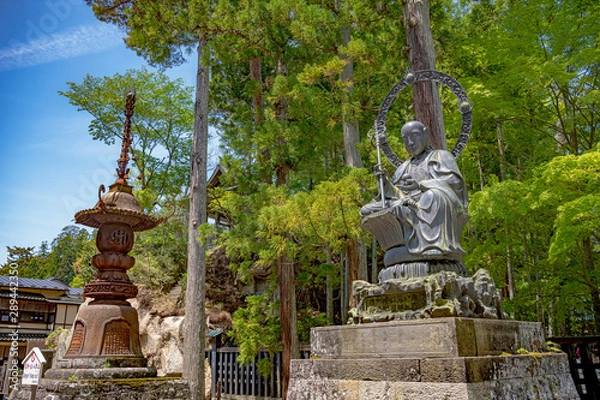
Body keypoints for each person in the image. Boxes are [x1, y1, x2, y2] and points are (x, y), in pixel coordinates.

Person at [361, 120, 468, 262]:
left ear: (426, 134)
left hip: (432, 203)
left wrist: (420, 185)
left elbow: (454, 184)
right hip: (407, 204)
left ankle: (432, 245)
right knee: (366, 210)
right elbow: (397, 194)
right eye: (405, 139)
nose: (410, 143)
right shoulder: (403, 167)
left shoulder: (441, 156)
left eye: (415, 136)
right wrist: (385, 182)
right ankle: (404, 242)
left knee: (433, 195)